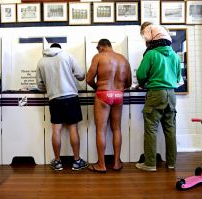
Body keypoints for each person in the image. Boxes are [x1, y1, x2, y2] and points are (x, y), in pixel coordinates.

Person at [135, 22, 182, 171]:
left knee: (151, 128)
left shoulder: (151, 54)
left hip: (156, 93)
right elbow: (178, 78)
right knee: (170, 128)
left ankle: (150, 163)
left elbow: (141, 75)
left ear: (152, 38)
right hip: (171, 94)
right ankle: (171, 162)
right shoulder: (174, 55)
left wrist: (143, 83)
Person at [36, 43, 87, 171]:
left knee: (55, 131)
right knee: (73, 129)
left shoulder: (41, 61)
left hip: (54, 98)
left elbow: (40, 85)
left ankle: (58, 162)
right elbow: (81, 75)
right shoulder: (67, 55)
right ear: (59, 48)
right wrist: (70, 76)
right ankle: (76, 161)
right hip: (70, 96)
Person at [86, 39, 132, 173]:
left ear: (100, 47)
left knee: (101, 130)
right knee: (116, 129)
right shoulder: (123, 59)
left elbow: (89, 79)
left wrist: (98, 88)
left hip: (103, 94)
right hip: (118, 95)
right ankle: (117, 163)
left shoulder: (99, 57)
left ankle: (101, 165)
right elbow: (128, 83)